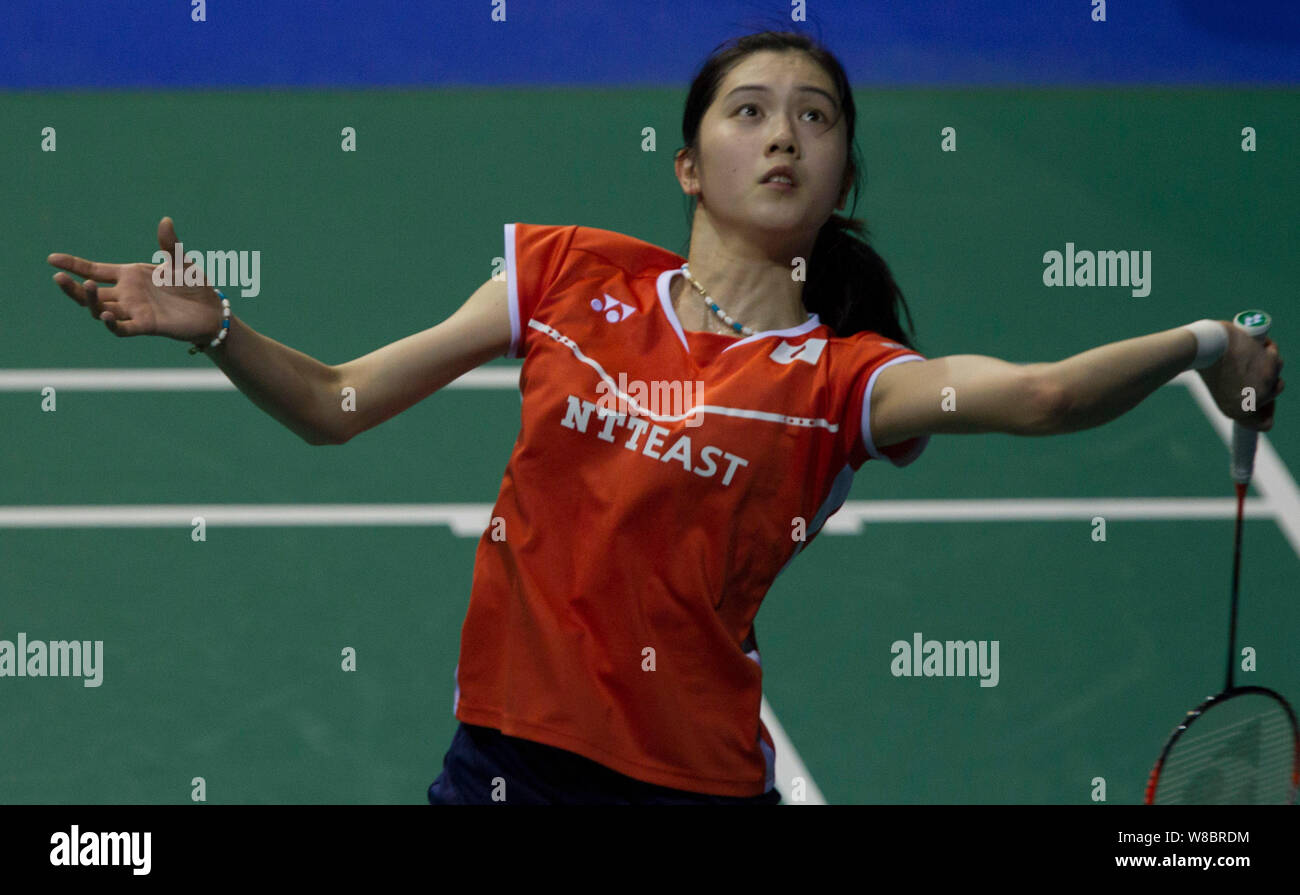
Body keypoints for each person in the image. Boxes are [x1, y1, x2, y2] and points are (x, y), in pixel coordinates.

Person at [46, 31, 1284, 805]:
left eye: (814, 116)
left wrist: (1207, 343)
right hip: (504, 764)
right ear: (688, 162)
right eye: (748, 110)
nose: (782, 133)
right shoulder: (568, 277)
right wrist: (216, 328)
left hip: (679, 786)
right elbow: (336, 403)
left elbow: (1045, 394)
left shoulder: (840, 380)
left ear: (841, 174)